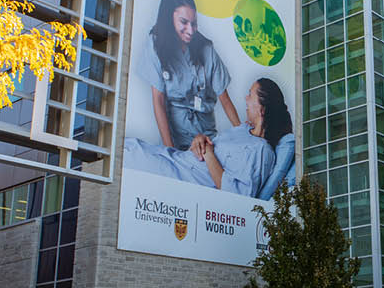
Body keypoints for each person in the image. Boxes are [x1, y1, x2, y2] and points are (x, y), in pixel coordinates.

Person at [123, 78, 293, 199]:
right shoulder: (242, 131)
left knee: (130, 155)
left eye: (250, 94)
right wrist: (200, 139)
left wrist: (209, 154)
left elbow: (237, 197)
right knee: (132, 147)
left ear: (262, 109)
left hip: (182, 177)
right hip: (179, 160)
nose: (245, 99)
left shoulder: (262, 151)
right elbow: (212, 146)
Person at [136, 0, 240, 150]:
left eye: (194, 23)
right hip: (178, 141)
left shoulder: (207, 49)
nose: (191, 31)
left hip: (209, 139)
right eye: (184, 22)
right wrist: (171, 151)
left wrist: (243, 137)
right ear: (168, 18)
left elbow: (225, 100)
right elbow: (158, 101)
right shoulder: (155, 45)